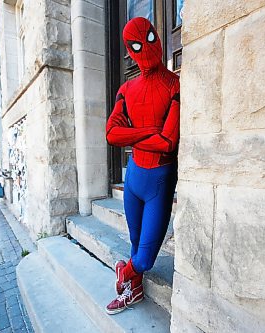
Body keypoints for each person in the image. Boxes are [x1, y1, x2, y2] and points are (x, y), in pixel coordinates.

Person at [105, 17, 180, 315]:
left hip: (158, 177)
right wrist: (150, 133)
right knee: (137, 245)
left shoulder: (174, 83)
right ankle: (132, 292)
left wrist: (135, 137)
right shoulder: (126, 89)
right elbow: (111, 134)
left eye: (149, 40)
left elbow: (169, 142)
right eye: (137, 46)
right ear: (129, 50)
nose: (146, 50)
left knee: (144, 258)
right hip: (134, 177)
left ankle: (125, 273)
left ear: (157, 37)